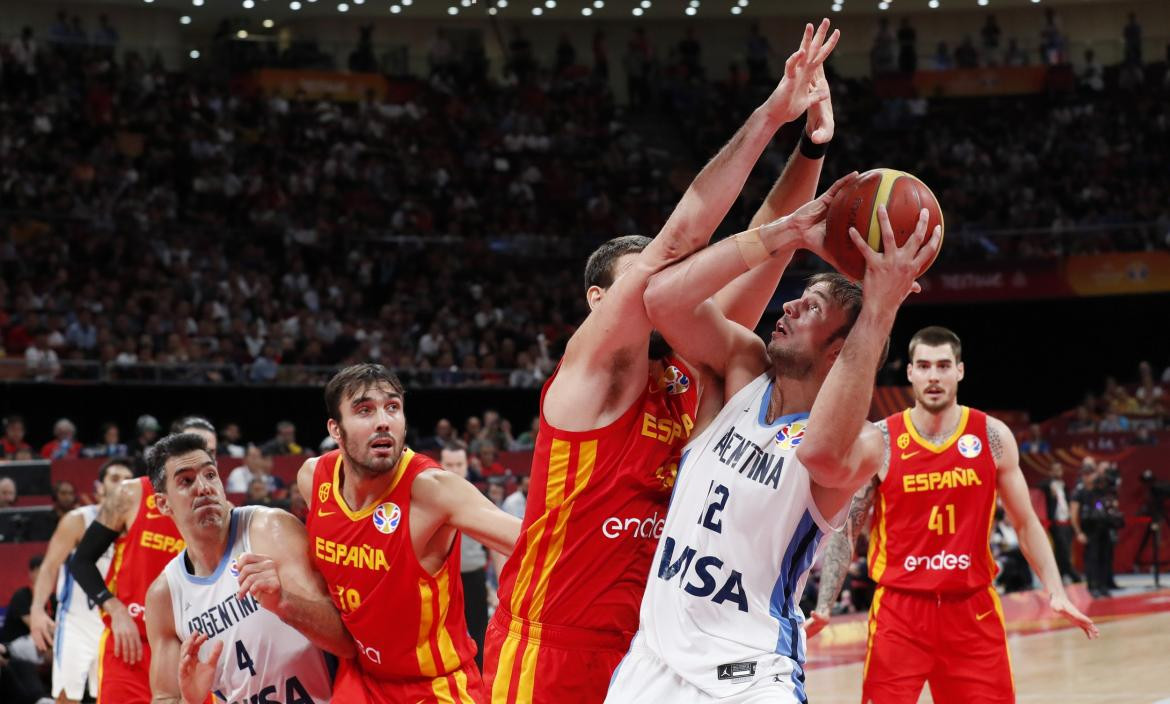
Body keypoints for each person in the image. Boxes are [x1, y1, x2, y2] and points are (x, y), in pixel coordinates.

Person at [486, 20, 841, 704]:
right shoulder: (588, 373)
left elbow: (773, 239)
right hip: (550, 651)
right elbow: (686, 235)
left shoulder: (691, 369)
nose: (673, 288)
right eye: (646, 280)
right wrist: (771, 114)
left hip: (655, 654)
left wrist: (813, 143)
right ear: (600, 297)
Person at [600, 153, 938, 698]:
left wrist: (881, 307)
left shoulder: (867, 443)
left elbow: (822, 456)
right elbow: (662, 298)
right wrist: (786, 237)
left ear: (840, 349)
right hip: (653, 665)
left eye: (811, 307)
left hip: (751, 677)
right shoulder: (738, 371)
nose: (788, 306)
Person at [812, 326, 1097, 703]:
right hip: (900, 613)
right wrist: (823, 605)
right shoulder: (880, 441)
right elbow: (847, 532)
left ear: (960, 371)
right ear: (910, 372)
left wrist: (1056, 591)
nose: (934, 376)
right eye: (924, 366)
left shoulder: (993, 436)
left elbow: (1025, 522)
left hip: (972, 610)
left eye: (943, 365)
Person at [297, 363, 522, 703]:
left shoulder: (432, 489)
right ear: (336, 430)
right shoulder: (314, 478)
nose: (383, 420)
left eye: (392, 407)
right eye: (364, 410)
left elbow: (536, 545)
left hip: (431, 686)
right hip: (359, 678)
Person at [143, 432, 347, 704]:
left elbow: (344, 641)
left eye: (210, 475)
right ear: (163, 503)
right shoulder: (164, 595)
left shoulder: (268, 530)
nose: (204, 487)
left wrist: (284, 602)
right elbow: (165, 697)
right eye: (186, 481)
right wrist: (190, 701)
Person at [68, 418, 218, 704]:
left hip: (192, 651)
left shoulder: (221, 511)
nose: (200, 460)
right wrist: (116, 609)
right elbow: (82, 561)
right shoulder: (131, 493)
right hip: (132, 645)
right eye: (191, 447)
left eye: (210, 453)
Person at [28, 458, 135, 704]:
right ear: (100, 487)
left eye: (127, 479)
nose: (122, 485)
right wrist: (36, 609)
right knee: (68, 698)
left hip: (116, 624)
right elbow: (49, 567)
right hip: (77, 623)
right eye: (115, 478)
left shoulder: (136, 526)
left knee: (113, 698)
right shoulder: (78, 520)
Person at [440, 442, 493, 669]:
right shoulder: (428, 496)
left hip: (472, 575)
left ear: (466, 465)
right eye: (449, 464)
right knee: (441, 633)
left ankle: (481, 683)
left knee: (479, 631)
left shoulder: (477, 498)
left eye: (458, 464)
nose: (454, 469)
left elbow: (494, 542)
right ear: (441, 464)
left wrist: (500, 587)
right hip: (441, 579)